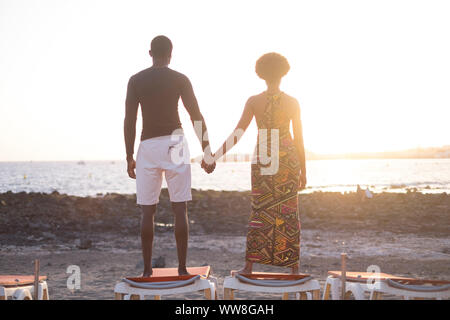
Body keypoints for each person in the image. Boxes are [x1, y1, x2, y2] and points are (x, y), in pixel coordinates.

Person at [124, 35, 215, 277]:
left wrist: (128, 155)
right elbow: (196, 115)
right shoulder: (180, 79)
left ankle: (146, 270)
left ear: (150, 53)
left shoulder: (136, 80)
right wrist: (206, 150)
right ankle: (183, 267)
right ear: (171, 54)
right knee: (179, 208)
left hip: (149, 145)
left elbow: (129, 120)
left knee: (147, 211)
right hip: (175, 142)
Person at [213, 53, 307, 274]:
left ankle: (249, 267)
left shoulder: (254, 101)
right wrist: (304, 170)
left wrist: (214, 156)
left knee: (260, 210)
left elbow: (237, 133)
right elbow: (299, 139)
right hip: (286, 157)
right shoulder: (292, 102)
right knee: (289, 212)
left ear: (261, 74)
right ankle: (293, 268)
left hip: (264, 156)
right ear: (284, 72)